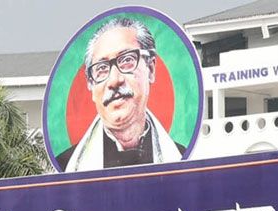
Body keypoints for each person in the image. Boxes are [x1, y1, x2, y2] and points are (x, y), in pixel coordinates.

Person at [56, 16, 186, 171]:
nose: (114, 80)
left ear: (150, 69)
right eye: (101, 68)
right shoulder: (69, 166)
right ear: (90, 85)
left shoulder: (179, 158)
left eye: (126, 60)